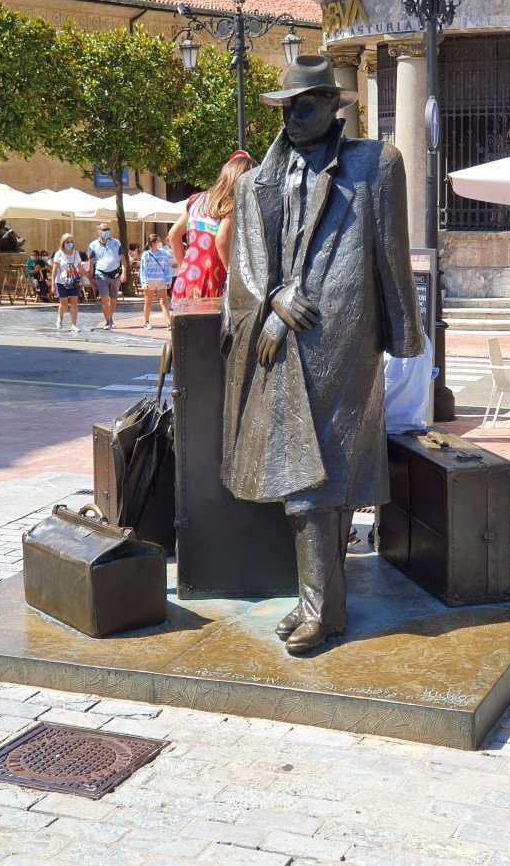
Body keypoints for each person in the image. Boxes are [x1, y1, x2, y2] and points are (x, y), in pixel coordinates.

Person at [221, 55, 424, 655]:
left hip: (344, 336)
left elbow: (391, 253)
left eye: (305, 103)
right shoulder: (261, 177)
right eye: (286, 106)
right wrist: (275, 299)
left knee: (319, 474)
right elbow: (248, 267)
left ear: (335, 105)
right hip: (280, 340)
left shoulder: (376, 164)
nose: (293, 116)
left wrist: (403, 334)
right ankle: (323, 604)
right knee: (309, 474)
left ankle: (321, 607)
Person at [168, 151, 255, 302]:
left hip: (186, 283)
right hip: (212, 286)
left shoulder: (196, 201)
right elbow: (221, 240)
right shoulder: (231, 204)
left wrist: (187, 269)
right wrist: (234, 278)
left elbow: (173, 235)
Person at [87, 222, 127, 330]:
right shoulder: (93, 245)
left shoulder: (116, 243)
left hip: (115, 274)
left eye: (107, 229)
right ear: (98, 231)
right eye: (104, 229)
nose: (106, 231)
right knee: (104, 298)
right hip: (101, 273)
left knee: (113, 299)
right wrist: (90, 278)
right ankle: (108, 320)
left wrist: (124, 272)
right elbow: (90, 263)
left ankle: (110, 317)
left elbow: (123, 259)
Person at [51, 234, 83, 333]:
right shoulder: (58, 254)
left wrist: (86, 276)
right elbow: (55, 269)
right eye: (67, 242)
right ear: (63, 242)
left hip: (74, 281)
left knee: (74, 303)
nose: (70, 244)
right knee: (64, 304)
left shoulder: (76, 254)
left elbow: (79, 267)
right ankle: (60, 317)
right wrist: (52, 284)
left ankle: (73, 325)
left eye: (71, 241)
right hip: (61, 282)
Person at [139, 234, 172, 329]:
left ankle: (168, 322)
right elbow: (143, 269)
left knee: (164, 302)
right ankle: (146, 322)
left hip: (161, 280)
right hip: (150, 280)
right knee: (148, 302)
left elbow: (166, 267)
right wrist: (144, 283)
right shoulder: (146, 254)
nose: (160, 242)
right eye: (158, 241)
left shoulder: (163, 253)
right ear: (153, 243)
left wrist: (168, 280)